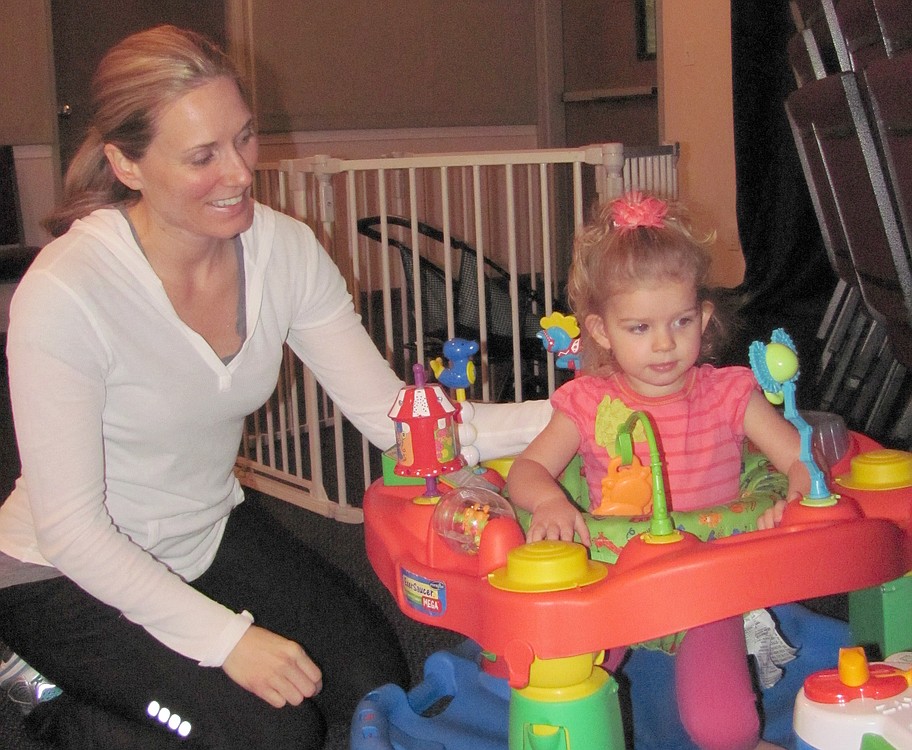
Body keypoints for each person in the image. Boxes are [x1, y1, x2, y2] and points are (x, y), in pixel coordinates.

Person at [0, 25, 551, 749]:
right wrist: (226, 639)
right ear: (126, 165)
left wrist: (579, 409)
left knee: (369, 681)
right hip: (61, 574)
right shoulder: (68, 290)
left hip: (206, 531)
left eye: (244, 138)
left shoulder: (283, 250)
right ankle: (41, 693)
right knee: (274, 732)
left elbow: (398, 419)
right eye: (202, 155)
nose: (238, 174)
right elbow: (74, 531)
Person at [506, 192, 810, 750]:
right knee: (558, 675)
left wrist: (793, 494)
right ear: (600, 331)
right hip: (613, 579)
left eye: (681, 321)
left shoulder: (730, 393)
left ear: (705, 316)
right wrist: (549, 502)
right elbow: (523, 473)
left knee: (725, 727)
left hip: (707, 587)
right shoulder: (589, 402)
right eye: (640, 328)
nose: (665, 344)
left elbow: (799, 458)